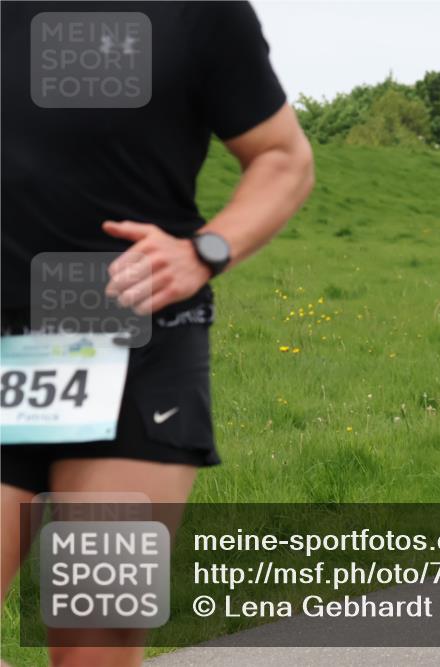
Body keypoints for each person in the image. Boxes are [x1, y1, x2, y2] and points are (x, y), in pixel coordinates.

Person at [0, 2, 314, 664]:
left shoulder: (200, 12)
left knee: (95, 638)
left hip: (136, 341)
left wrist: (204, 252)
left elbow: (283, 157)